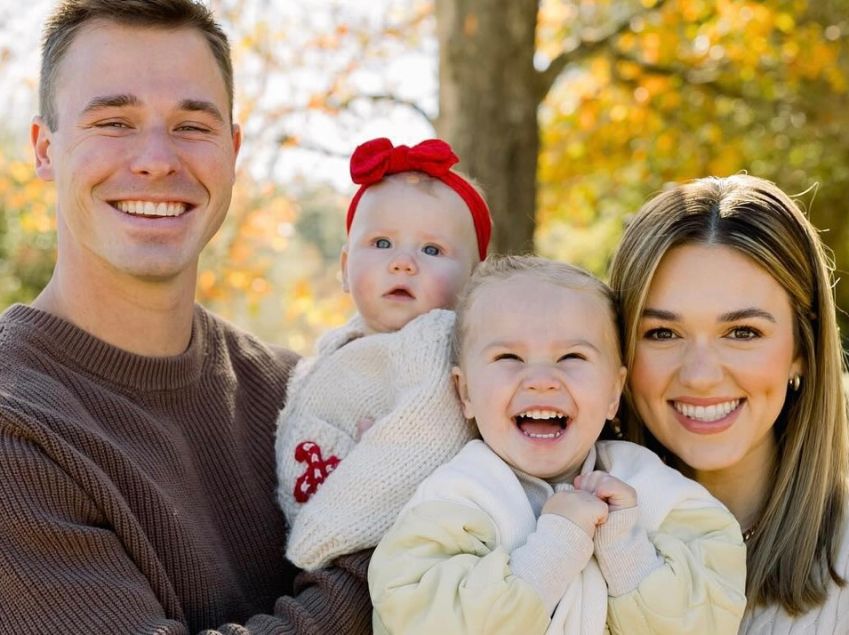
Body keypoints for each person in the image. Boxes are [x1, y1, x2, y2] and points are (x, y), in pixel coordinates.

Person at [0, 1, 371, 632]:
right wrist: (381, 564)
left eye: (192, 126)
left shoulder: (299, 392)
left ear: (231, 151)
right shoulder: (17, 429)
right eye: (114, 121)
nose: (156, 159)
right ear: (44, 149)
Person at [369, 255, 747, 634]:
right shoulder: (457, 499)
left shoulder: (650, 487)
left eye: (571, 356)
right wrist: (552, 552)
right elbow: (415, 616)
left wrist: (626, 550)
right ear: (464, 391)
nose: (542, 379)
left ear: (614, 391)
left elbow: (712, 616)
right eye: (509, 357)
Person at [608, 174, 849, 633]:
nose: (700, 375)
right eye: (662, 333)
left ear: (802, 347)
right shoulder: (556, 534)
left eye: (742, 333)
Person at [276, 136, 490, 570]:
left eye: (432, 250)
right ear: (343, 268)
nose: (403, 263)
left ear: (473, 283)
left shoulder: (432, 342)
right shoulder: (343, 343)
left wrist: (315, 542)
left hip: (374, 557)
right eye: (381, 244)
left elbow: (419, 443)